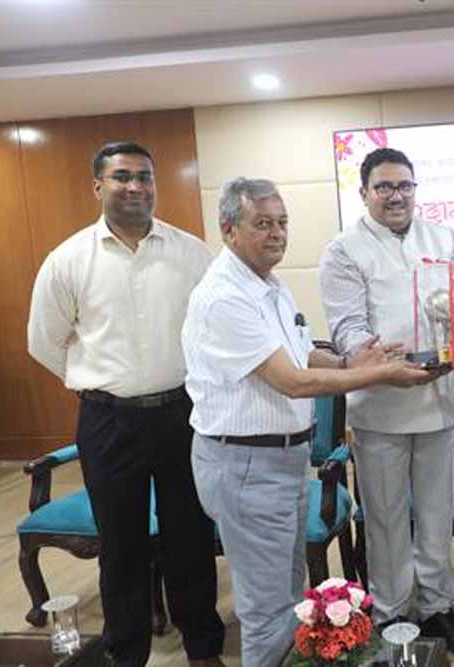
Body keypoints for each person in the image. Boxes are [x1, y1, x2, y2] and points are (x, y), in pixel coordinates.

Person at [182, 177, 432, 667]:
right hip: (246, 464)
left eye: (282, 222)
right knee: (268, 610)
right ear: (229, 229)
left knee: (287, 594)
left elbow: (301, 353)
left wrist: (351, 362)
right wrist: (379, 374)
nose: (277, 233)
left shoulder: (267, 285)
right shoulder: (224, 296)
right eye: (262, 224)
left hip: (281, 459)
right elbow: (292, 381)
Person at [27, 141, 225, 667]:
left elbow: (214, 328)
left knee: (190, 535)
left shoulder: (191, 253)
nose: (135, 186)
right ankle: (127, 652)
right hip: (108, 421)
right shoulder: (68, 259)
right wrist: (100, 381)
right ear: (98, 186)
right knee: (120, 544)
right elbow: (44, 342)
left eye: (144, 176)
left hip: (182, 414)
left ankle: (204, 648)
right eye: (122, 177)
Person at [319, 148, 454, 657]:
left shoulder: (446, 239)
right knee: (386, 519)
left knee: (437, 514)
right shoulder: (344, 250)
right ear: (364, 192)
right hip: (380, 405)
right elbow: (347, 327)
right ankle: (390, 612)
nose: (396, 196)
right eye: (385, 186)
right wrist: (377, 360)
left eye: (405, 186)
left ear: (415, 189)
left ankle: (437, 607)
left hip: (440, 400)